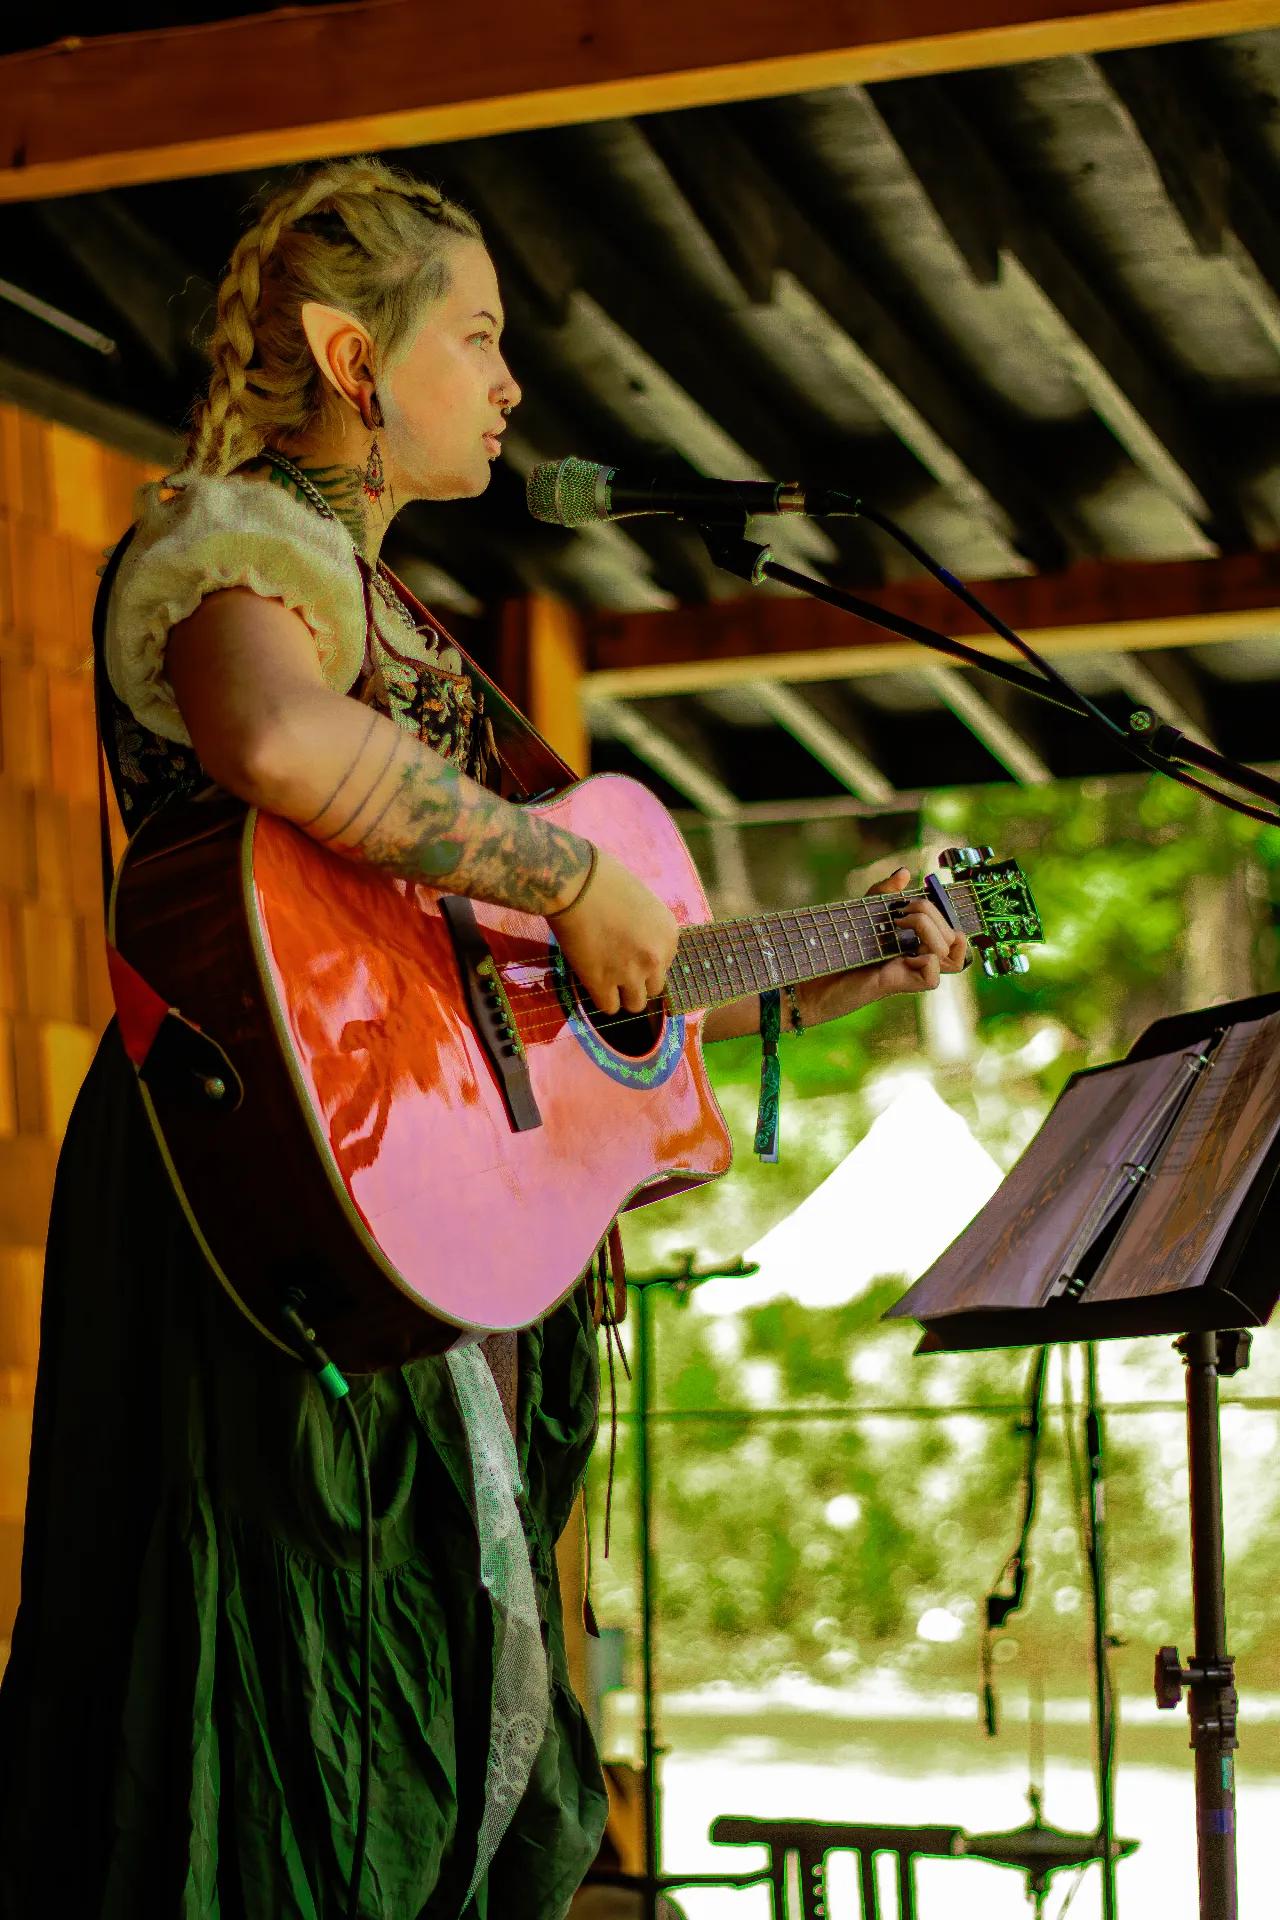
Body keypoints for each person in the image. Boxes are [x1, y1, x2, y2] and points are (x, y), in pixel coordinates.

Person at [0, 157, 967, 1919]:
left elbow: (562, 982)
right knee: (276, 1735)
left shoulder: (416, 626)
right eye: (483, 335)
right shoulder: (233, 543)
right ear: (354, 360)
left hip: (419, 1240)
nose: (516, 383)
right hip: (263, 1207)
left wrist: (840, 958)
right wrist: (577, 866)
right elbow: (281, 751)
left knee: (435, 1747)